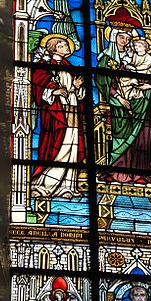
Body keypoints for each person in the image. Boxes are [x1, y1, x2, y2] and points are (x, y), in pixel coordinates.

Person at [96, 7, 151, 184]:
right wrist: (119, 98)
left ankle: (139, 173)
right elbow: (102, 81)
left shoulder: (137, 56)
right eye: (121, 37)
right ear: (113, 36)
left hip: (141, 102)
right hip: (119, 104)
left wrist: (147, 86)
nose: (125, 41)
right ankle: (118, 172)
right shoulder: (107, 58)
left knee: (142, 137)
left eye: (128, 38)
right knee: (122, 136)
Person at [31, 34, 86, 199]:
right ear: (54, 48)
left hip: (72, 109)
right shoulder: (44, 65)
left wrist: (77, 88)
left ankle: (67, 187)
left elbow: (75, 91)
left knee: (73, 146)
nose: (67, 47)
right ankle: (45, 186)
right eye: (63, 45)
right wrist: (55, 91)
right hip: (56, 113)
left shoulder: (69, 66)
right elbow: (38, 86)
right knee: (58, 145)